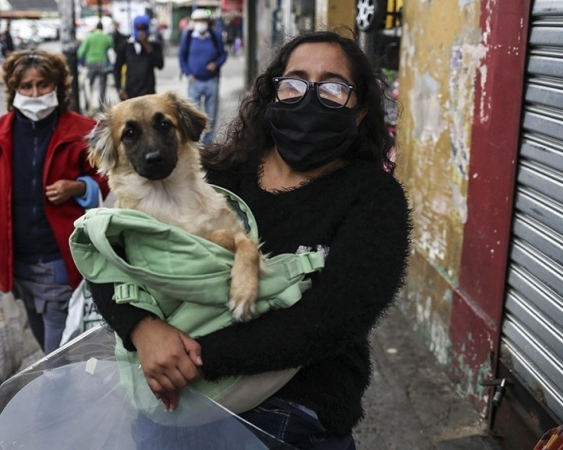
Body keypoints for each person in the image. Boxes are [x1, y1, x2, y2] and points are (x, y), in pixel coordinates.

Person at [89, 30, 410, 449]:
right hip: (174, 398)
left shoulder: (373, 198)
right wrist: (142, 329)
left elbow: (331, 321)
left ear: (362, 108)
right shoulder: (211, 168)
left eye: (333, 86)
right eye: (294, 82)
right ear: (273, 93)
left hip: (293, 409)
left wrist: (191, 358)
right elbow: (111, 254)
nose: (310, 97)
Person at [0, 49, 110, 355]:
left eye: (43, 84)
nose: (35, 93)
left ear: (58, 86)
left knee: (56, 349)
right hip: (15, 255)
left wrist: (77, 187)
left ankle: (57, 392)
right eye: (26, 86)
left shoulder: (84, 130)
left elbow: (105, 176)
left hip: (58, 254)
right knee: (36, 322)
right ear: (14, 90)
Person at [178, 9, 227, 144]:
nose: (201, 24)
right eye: (198, 21)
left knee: (211, 114)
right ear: (193, 23)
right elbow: (182, 57)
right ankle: (196, 142)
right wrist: (188, 74)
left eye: (203, 21)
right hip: (194, 82)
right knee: (194, 114)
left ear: (208, 23)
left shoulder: (214, 36)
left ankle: (208, 143)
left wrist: (216, 64)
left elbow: (223, 54)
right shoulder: (187, 36)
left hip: (212, 81)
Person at [113, 15, 163, 101]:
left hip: (149, 93)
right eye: (139, 29)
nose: (141, 32)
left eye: (143, 28)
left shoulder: (154, 46)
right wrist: (119, 88)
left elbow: (160, 65)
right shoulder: (126, 46)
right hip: (130, 93)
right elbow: (117, 68)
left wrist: (147, 45)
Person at [77, 22, 113, 114]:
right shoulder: (106, 38)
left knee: (88, 85)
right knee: (102, 85)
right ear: (102, 28)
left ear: (95, 27)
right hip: (102, 63)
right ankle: (101, 106)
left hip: (91, 63)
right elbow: (111, 46)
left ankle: (88, 105)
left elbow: (81, 52)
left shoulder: (89, 37)